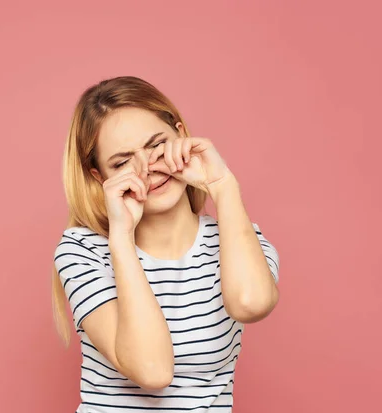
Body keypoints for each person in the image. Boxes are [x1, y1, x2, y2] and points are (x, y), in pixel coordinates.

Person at [51, 76, 280, 412]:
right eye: (122, 161)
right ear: (99, 176)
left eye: (157, 144)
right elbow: (152, 369)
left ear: (181, 134)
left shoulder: (238, 239)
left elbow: (250, 304)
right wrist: (121, 238)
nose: (148, 170)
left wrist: (223, 184)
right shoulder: (84, 251)